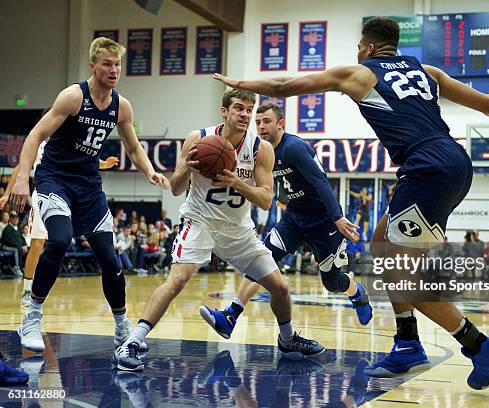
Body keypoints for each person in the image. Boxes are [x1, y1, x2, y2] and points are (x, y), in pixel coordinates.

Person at [213, 17, 489, 390]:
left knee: (400, 271)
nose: (357, 52)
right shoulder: (428, 71)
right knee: (382, 242)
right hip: (454, 162)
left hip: (427, 168)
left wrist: (238, 84)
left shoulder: (360, 73)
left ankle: (481, 346)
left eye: (358, 47)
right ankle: (407, 342)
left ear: (368, 47)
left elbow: (283, 86)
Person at [112, 90, 323, 372]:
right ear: (224, 112)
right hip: (200, 221)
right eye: (239, 108)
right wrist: (186, 168)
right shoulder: (198, 139)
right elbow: (175, 189)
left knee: (281, 288)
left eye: (249, 109)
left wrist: (238, 183)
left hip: (239, 230)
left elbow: (265, 199)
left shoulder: (261, 148)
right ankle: (132, 342)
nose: (245, 114)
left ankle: (287, 339)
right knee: (177, 280)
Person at [9, 37, 168, 353]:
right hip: (56, 179)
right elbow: (35, 135)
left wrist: (149, 170)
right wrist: (22, 181)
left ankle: (122, 328)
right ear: (92, 65)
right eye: (107, 63)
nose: (114, 70)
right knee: (58, 240)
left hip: (88, 186)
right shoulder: (72, 97)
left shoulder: (121, 106)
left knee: (109, 258)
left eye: (117, 64)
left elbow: (133, 146)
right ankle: (32, 317)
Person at [200, 103, 371, 340]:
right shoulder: (262, 150)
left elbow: (320, 181)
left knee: (332, 283)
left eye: (266, 121)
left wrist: (338, 217)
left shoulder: (294, 148)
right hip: (294, 219)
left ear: (281, 124)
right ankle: (231, 315)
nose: (260, 126)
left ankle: (357, 293)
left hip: (323, 223)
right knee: (260, 261)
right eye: (258, 122)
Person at [0, 138, 119, 306]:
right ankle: (27, 289)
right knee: (37, 243)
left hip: (64, 196)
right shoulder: (39, 143)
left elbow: (83, 158)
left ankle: (40, 289)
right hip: (43, 194)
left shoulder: (68, 139)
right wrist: (6, 194)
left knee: (58, 243)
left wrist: (104, 164)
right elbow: (20, 168)